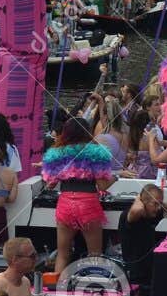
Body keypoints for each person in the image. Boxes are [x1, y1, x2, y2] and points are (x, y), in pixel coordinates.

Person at [41, 117, 114, 274]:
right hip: (88, 204)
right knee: (94, 255)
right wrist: (116, 177)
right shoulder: (97, 152)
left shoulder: (56, 153)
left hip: (65, 203)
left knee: (62, 254)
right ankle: (92, 292)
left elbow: (50, 183)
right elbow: (102, 186)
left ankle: (56, 292)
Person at [120, 184, 167, 287]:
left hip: (150, 269)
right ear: (143, 202)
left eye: (160, 204)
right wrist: (139, 198)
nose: (158, 208)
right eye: (155, 204)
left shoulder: (154, 213)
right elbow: (138, 210)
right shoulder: (130, 215)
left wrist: (159, 203)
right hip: (134, 273)